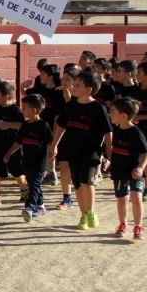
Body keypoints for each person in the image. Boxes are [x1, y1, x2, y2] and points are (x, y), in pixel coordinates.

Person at [49, 71, 113, 231]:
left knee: (87, 181)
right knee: (77, 184)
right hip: (73, 150)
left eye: (78, 85)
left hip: (91, 152)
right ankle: (83, 214)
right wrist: (54, 145)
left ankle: (91, 211)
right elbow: (61, 126)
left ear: (89, 89)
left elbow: (108, 132)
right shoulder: (70, 105)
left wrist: (109, 154)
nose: (73, 87)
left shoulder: (99, 108)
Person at [4, 94, 53, 222]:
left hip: (39, 163)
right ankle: (41, 206)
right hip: (27, 162)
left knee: (34, 186)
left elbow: (50, 142)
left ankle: (30, 207)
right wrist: (9, 153)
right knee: (33, 185)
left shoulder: (43, 125)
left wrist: (52, 154)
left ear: (34, 110)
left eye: (24, 107)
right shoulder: (24, 125)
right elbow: (18, 142)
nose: (22, 109)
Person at [109, 98, 147, 240]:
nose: (110, 114)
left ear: (123, 115)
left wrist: (140, 167)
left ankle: (138, 226)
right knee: (122, 199)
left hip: (134, 172)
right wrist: (108, 161)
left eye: (113, 111)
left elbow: (146, 152)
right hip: (119, 171)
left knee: (136, 197)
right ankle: (123, 224)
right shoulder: (116, 129)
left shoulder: (135, 132)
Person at [0, 81, 27, 207]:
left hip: (13, 146)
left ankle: (24, 190)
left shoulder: (16, 110)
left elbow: (22, 126)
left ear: (6, 96)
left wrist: (7, 125)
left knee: (17, 171)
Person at [54, 66, 79, 210]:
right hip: (65, 136)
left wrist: (69, 99)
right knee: (64, 166)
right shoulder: (61, 96)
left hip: (80, 138)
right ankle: (67, 198)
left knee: (77, 170)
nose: (63, 81)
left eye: (67, 79)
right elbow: (61, 120)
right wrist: (54, 142)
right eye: (63, 79)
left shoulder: (81, 99)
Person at [135, 61, 147, 202]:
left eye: (139, 72)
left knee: (145, 157)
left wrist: (139, 117)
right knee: (141, 157)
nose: (137, 75)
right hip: (137, 129)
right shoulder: (136, 91)